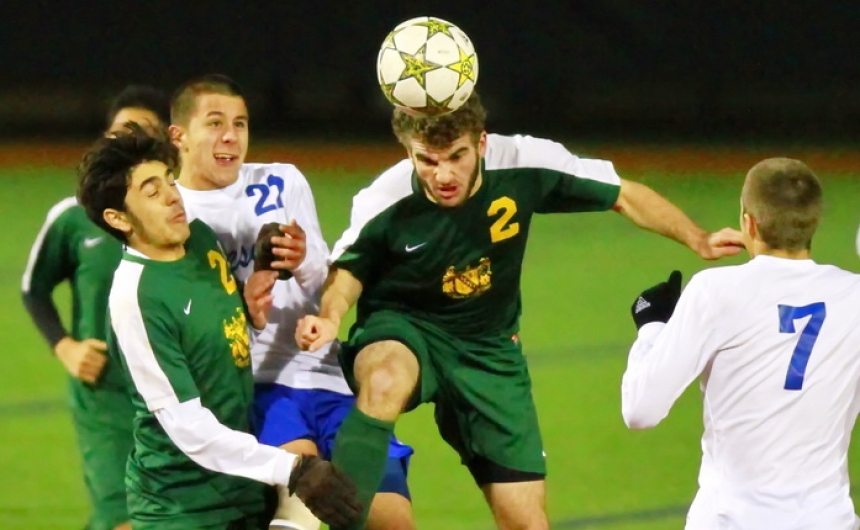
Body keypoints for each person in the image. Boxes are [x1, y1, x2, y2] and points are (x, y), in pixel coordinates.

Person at [291, 90, 744, 530]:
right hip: (405, 329)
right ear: (408, 152)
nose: (443, 174)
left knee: (527, 522)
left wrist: (697, 237)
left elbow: (622, 194)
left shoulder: (524, 162)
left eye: (456, 156)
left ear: (481, 143)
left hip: (489, 351)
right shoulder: (384, 198)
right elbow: (347, 270)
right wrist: (330, 317)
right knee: (385, 379)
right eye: (427, 160)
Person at [75, 124, 361, 530]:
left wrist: (251, 312)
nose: (172, 195)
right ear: (117, 217)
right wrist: (293, 469)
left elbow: (216, 339)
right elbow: (187, 428)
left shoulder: (200, 241)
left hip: (244, 485)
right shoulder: (135, 300)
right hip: (183, 507)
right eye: (152, 192)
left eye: (169, 180)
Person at [167, 74, 414, 530]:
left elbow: (325, 280)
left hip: (328, 376)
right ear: (178, 136)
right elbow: (173, 316)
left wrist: (302, 261)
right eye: (215, 123)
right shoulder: (171, 212)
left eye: (240, 124)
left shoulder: (281, 181)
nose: (230, 136)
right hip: (258, 384)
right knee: (301, 506)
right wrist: (243, 311)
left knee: (391, 520)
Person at [622, 157, 860, 529]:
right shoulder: (853, 296)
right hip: (828, 520)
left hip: (732, 520)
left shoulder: (715, 290)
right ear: (813, 221)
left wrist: (651, 326)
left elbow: (640, 409)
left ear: (749, 223)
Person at [20, 84, 169, 530]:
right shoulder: (74, 218)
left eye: (144, 131)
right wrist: (65, 346)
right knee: (123, 518)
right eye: (122, 130)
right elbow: (34, 289)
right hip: (105, 397)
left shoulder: (183, 217)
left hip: (173, 393)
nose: (130, 140)